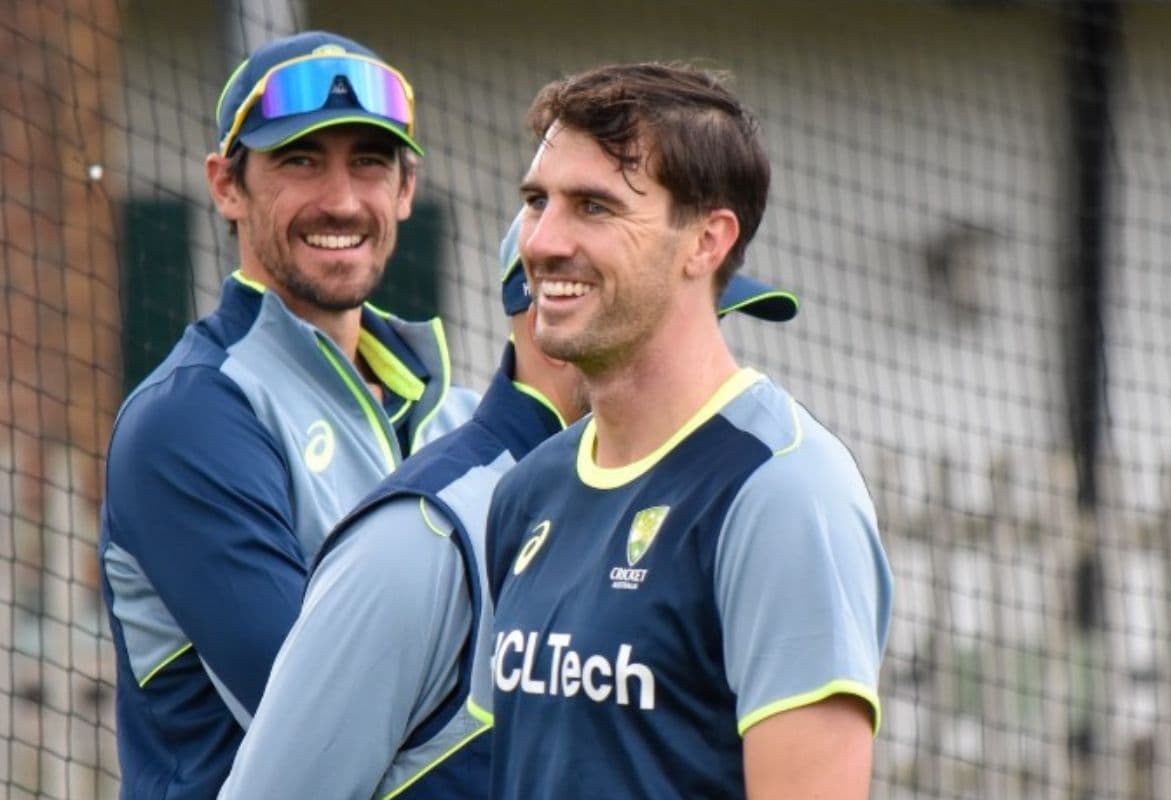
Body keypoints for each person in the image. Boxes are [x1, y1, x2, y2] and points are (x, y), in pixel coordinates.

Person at [216, 210, 796, 799]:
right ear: (559, 321)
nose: (714, 372)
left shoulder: (690, 516)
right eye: (686, 329)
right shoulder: (424, 536)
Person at [486, 62, 893, 799]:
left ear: (706, 242)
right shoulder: (527, 492)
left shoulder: (784, 494)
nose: (540, 242)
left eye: (594, 208)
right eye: (537, 201)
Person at [98, 31, 476, 799]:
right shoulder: (190, 421)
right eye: (300, 161)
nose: (340, 200)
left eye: (368, 162)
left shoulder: (456, 416)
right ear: (227, 186)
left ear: (405, 190)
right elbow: (326, 725)